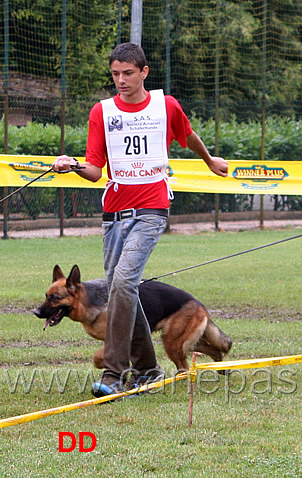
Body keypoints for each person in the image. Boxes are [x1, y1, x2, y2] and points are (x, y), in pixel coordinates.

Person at [54, 42, 228, 397]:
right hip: (114, 214)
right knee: (125, 291)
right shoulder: (101, 112)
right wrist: (71, 164)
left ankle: (115, 371)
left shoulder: (166, 106)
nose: (121, 80)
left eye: (128, 74)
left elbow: (187, 135)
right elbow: (93, 170)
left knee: (121, 285)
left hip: (152, 209)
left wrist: (209, 160)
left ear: (144, 72)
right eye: (115, 74)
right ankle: (148, 370)